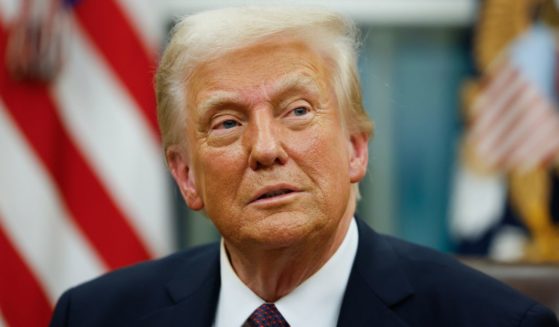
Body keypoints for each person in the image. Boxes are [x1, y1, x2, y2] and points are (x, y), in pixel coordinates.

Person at [50, 6, 558, 327]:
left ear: (356, 149)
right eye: (226, 123)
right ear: (186, 177)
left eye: (297, 111)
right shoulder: (95, 316)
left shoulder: (493, 321)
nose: (265, 148)